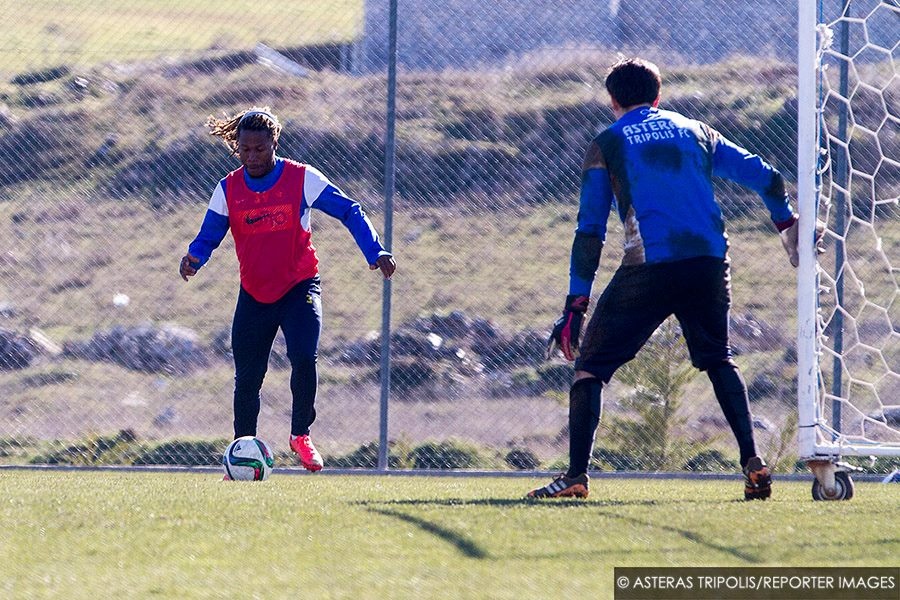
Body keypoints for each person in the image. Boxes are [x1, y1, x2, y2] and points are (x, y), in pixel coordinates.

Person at [530, 58, 809, 501]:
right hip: (708, 262)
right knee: (718, 357)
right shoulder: (698, 131)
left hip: (650, 266)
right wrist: (785, 222)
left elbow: (590, 230)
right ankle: (752, 462)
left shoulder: (608, 141)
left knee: (590, 368)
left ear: (612, 102)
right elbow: (767, 177)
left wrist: (575, 305)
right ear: (659, 97)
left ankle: (576, 476)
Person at [180, 107, 395, 474]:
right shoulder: (228, 188)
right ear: (237, 148)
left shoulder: (301, 178)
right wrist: (194, 257)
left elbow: (349, 210)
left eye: (259, 149)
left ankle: (300, 435)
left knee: (303, 356)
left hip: (299, 287)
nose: (252, 157)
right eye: (245, 150)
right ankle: (243, 446)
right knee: (248, 377)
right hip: (255, 293)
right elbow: (211, 232)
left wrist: (375, 250)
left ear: (274, 143)